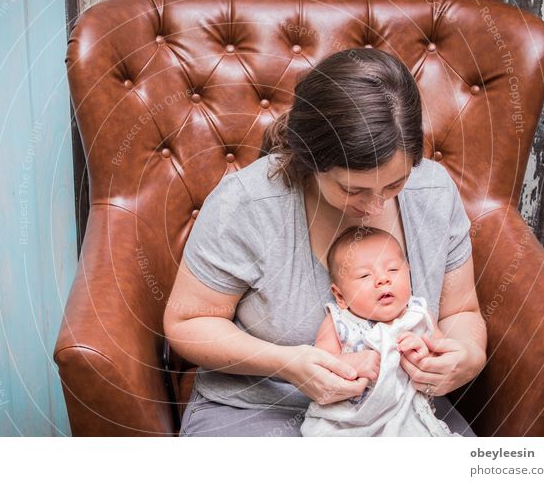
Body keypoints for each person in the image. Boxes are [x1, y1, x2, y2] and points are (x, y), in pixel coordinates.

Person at [163, 47, 486, 437]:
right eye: (354, 189)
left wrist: (467, 354)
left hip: (400, 411)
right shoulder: (248, 204)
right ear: (310, 160)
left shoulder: (433, 192)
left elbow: (461, 311)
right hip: (262, 405)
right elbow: (187, 322)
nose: (377, 204)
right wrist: (287, 364)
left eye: (395, 184)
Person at [299, 225, 460, 436]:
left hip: (407, 413)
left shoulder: (419, 315)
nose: (383, 279)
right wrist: (350, 364)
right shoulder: (338, 322)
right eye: (365, 275)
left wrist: (424, 352)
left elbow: (441, 359)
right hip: (349, 418)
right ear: (340, 297)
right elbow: (320, 365)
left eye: (393, 269)